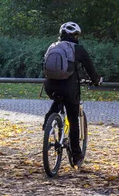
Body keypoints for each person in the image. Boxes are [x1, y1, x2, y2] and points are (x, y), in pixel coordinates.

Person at [43, 21, 100, 167]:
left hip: (50, 85)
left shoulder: (52, 46)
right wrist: (96, 80)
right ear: (72, 35)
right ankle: (76, 155)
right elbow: (89, 66)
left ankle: (48, 120)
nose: (77, 37)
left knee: (57, 99)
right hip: (69, 87)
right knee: (73, 118)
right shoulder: (77, 49)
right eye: (76, 35)